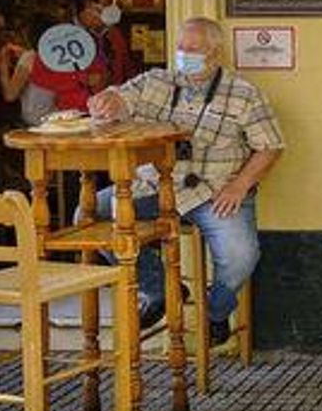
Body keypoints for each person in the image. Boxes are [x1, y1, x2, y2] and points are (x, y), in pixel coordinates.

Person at [86, 17, 284, 343]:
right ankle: (160, 287)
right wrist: (107, 100)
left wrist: (240, 185)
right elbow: (121, 98)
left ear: (215, 53)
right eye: (181, 47)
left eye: (194, 49)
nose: (184, 54)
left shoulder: (244, 94)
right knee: (89, 215)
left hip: (217, 190)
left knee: (241, 257)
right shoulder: (156, 81)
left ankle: (216, 311)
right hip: (155, 188)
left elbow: (271, 146)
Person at [23, 0, 134, 123]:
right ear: (85, 8)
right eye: (103, 7)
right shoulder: (58, 38)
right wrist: (84, 78)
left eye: (110, 5)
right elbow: (43, 83)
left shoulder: (115, 36)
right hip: (67, 120)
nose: (110, 12)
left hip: (108, 116)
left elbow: (127, 69)